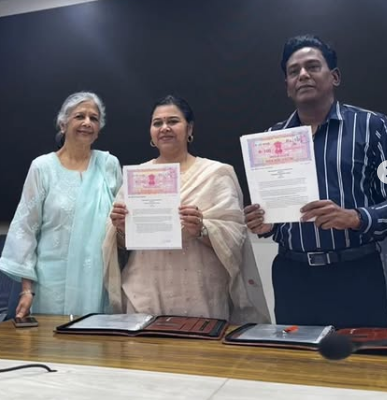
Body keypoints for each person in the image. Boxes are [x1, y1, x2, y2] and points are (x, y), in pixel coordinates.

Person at [244, 34, 387, 328]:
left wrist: (355, 217)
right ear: (287, 85)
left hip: (356, 273)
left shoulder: (372, 126)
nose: (303, 75)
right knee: (296, 357)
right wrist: (266, 224)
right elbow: (279, 221)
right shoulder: (272, 140)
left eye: (312, 66)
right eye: (293, 71)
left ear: (334, 76)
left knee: (359, 356)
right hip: (292, 276)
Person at [103, 95, 270, 324]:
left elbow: (235, 237)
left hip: (200, 295)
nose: (164, 128)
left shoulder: (215, 174)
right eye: (157, 123)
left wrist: (202, 229)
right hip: (143, 292)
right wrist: (121, 228)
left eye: (173, 121)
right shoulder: (137, 178)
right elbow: (121, 245)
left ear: (189, 128)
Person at [0, 92, 122, 317]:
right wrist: (26, 291)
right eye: (80, 116)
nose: (87, 122)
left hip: (98, 282)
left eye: (93, 118)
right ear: (63, 124)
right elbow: (25, 229)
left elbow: (122, 224)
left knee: (97, 337)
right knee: (53, 339)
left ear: (98, 129)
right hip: (53, 285)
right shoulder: (43, 168)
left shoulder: (109, 165)